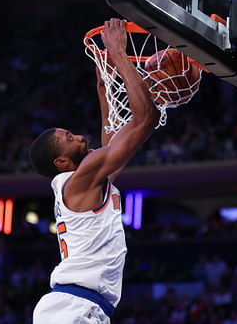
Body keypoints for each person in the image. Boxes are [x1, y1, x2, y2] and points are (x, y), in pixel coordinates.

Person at [30, 18, 158, 324]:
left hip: (78, 306)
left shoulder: (87, 183)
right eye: (69, 139)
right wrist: (119, 53)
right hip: (72, 309)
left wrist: (105, 91)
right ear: (61, 162)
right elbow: (145, 119)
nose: (79, 136)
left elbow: (110, 146)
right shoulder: (80, 181)